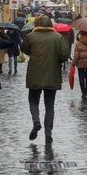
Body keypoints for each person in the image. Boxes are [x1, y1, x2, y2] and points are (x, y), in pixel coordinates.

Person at [20, 15, 70, 143]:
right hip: (52, 75)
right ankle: (48, 134)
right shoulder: (57, 37)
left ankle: (36, 121)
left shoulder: (31, 36)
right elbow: (65, 55)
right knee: (49, 105)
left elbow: (24, 49)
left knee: (33, 101)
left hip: (34, 74)